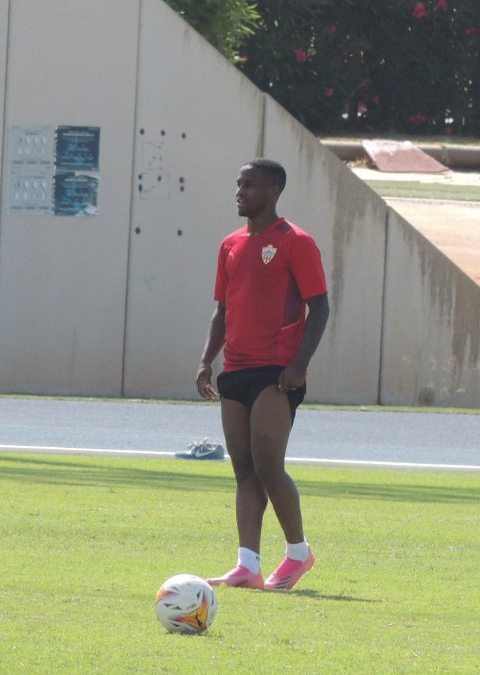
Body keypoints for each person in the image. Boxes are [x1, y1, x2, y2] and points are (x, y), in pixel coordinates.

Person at [196, 158, 330, 591]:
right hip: (235, 369)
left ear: (274, 190)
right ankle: (247, 564)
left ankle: (298, 553)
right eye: (238, 184)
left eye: (249, 185)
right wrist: (206, 360)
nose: (240, 191)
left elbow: (320, 307)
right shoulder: (230, 244)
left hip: (277, 371)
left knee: (270, 464)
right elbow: (222, 311)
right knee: (244, 469)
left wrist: (300, 365)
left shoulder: (296, 242)